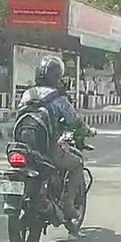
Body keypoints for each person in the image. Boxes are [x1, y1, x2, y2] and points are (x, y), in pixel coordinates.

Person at [17, 57, 92, 195]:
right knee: (77, 164)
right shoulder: (58, 98)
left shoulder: (27, 94)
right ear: (57, 77)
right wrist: (88, 131)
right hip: (47, 149)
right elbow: (74, 121)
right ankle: (69, 204)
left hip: (22, 147)